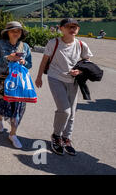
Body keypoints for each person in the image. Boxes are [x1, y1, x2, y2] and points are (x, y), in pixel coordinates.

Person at [35, 18, 93, 156]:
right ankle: (56, 136)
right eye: (69, 26)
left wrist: (79, 71)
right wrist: (39, 77)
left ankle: (66, 138)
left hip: (72, 80)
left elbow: (87, 61)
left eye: (75, 27)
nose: (73, 29)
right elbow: (45, 60)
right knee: (65, 110)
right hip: (55, 78)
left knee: (72, 112)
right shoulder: (54, 43)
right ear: (61, 29)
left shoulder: (81, 44)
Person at [0, 21, 32, 149]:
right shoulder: (0, 44)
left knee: (17, 109)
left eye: (18, 31)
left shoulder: (25, 46)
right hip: (2, 80)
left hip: (18, 83)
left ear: (21, 33)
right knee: (1, 104)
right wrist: (7, 58)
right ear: (7, 33)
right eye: (13, 30)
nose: (16, 33)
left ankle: (13, 134)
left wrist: (23, 62)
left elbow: (29, 64)